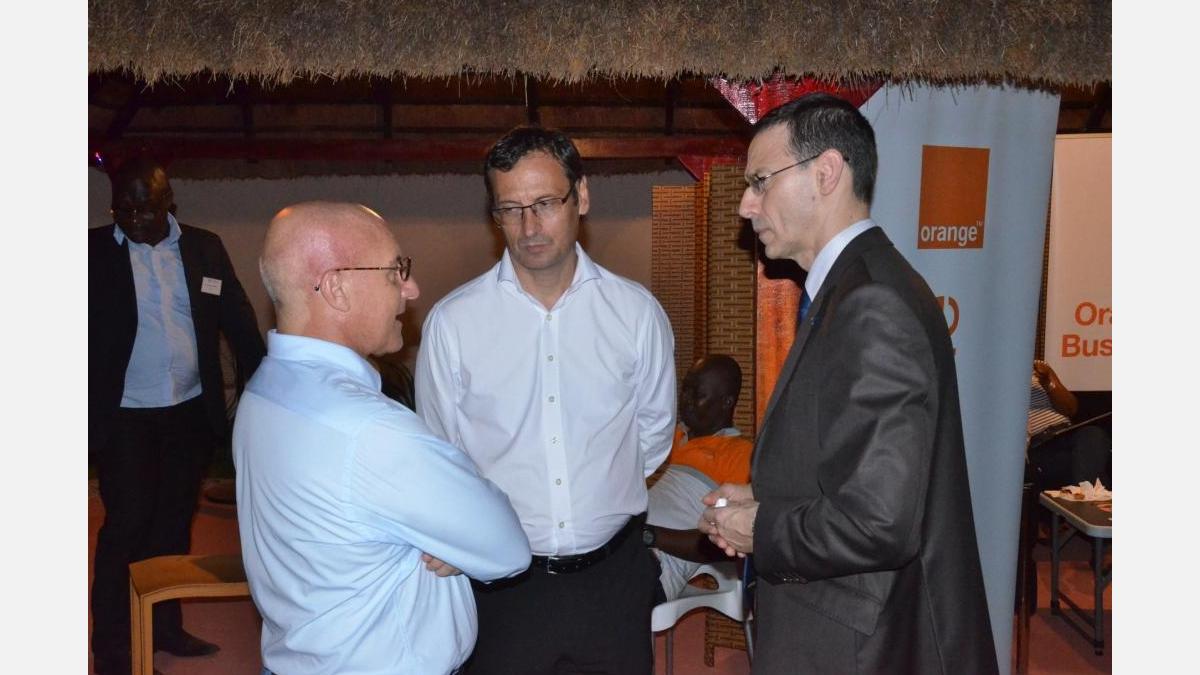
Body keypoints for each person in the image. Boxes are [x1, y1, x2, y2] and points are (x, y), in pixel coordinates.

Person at [699, 93, 998, 673]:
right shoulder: (856, 288)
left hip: (862, 645)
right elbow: (849, 470)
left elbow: (879, 521)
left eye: (760, 181)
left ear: (827, 172)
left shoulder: (871, 302)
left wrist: (762, 527)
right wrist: (766, 501)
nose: (745, 205)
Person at [415, 126, 676, 674]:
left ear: (581, 196)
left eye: (545, 204)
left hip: (613, 581)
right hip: (504, 588)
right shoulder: (454, 323)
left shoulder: (635, 313)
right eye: (510, 209)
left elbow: (652, 437)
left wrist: (595, 500)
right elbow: (440, 452)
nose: (529, 227)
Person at [234, 202, 530, 675]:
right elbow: (506, 546)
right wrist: (455, 538)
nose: (411, 289)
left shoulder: (264, 391)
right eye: (396, 271)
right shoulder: (370, 431)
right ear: (337, 288)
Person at [88, 157, 266, 674]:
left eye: (145, 209)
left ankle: (164, 626)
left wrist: (264, 391)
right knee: (127, 524)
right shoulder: (90, 253)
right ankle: (112, 646)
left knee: (173, 523)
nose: (134, 220)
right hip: (125, 415)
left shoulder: (204, 248)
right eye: (123, 210)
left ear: (169, 205)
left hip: (189, 411)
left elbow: (239, 321)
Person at [647, 354, 752, 601]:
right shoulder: (666, 437)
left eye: (698, 394)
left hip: (655, 566)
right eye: (685, 390)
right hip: (615, 547)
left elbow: (725, 544)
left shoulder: (740, 455)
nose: (686, 400)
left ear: (726, 402)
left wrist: (647, 535)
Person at [1027, 359, 1111, 490]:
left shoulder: (1037, 368)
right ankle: (1090, 495)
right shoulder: (998, 377)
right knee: (1092, 471)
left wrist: (1047, 382)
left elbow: (1070, 409)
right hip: (1038, 443)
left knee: (1093, 435)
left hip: (1066, 432)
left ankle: (1085, 495)